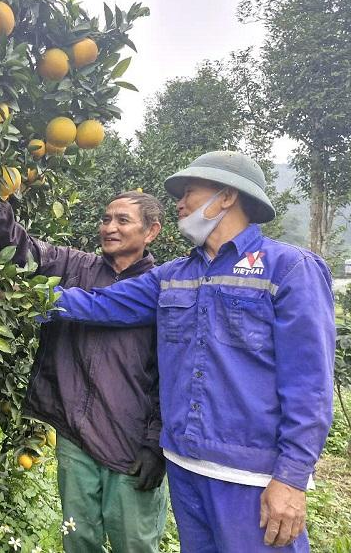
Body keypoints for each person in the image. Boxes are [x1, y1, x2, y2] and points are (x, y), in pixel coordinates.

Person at [42, 151, 335, 552]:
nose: (179, 203)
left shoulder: (286, 268)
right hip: (184, 465)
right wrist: (20, 293)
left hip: (251, 475)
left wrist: (291, 477)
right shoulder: (174, 275)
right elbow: (97, 305)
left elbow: (310, 384)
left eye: (189, 192)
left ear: (227, 196)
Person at [0, 191, 168, 553]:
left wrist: (156, 443)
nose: (110, 228)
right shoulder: (76, 266)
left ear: (151, 231)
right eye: (106, 219)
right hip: (76, 436)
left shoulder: (162, 289)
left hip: (131, 442)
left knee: (134, 544)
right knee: (78, 540)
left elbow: (172, 373)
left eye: (123, 220)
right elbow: (23, 251)